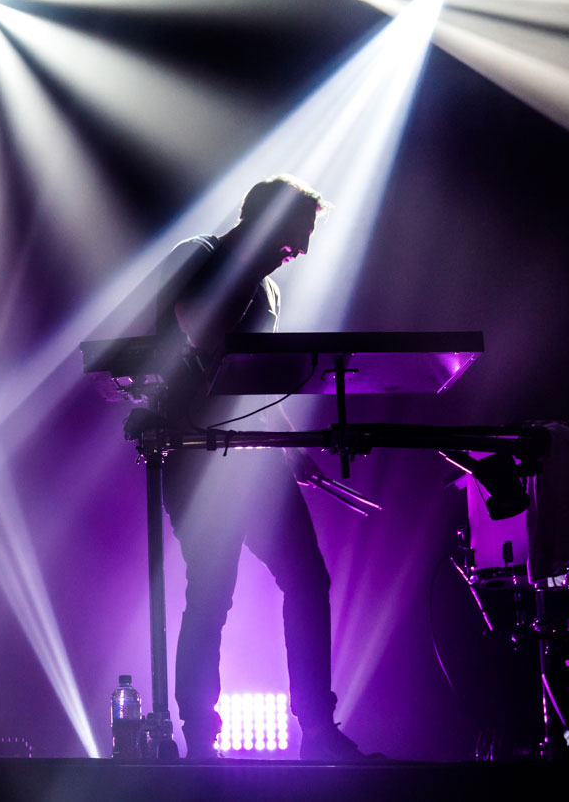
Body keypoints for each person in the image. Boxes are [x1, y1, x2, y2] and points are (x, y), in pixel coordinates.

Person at [149, 176, 367, 761]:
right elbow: (200, 330)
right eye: (294, 236)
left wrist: (290, 440)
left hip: (251, 459)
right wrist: (247, 265)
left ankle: (318, 731)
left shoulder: (268, 290)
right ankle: (200, 737)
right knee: (213, 590)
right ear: (264, 223)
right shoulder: (199, 257)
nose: (300, 251)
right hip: (195, 455)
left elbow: (252, 387)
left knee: (308, 579)